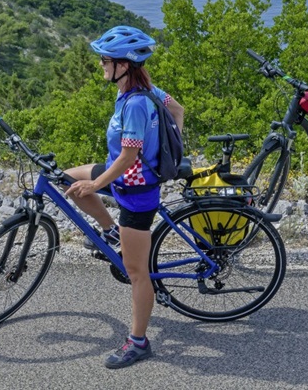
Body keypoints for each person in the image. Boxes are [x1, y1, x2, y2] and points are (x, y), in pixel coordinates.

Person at [65, 25, 184, 369]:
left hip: (135, 191)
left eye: (106, 59)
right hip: (124, 177)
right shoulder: (144, 89)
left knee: (137, 273)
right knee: (66, 179)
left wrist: (96, 183)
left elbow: (129, 157)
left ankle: (138, 342)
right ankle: (110, 231)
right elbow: (178, 111)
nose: (101, 64)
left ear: (124, 64)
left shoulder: (134, 103)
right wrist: (169, 149)